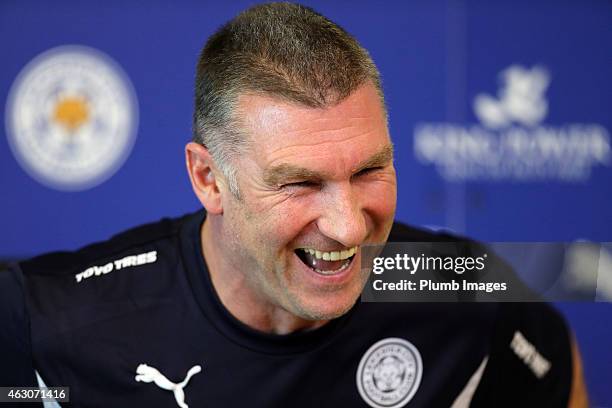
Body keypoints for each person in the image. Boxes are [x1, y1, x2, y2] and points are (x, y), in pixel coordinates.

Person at [0, 3, 588, 407]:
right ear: (208, 179)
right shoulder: (50, 324)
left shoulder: (461, 288)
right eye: (299, 184)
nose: (347, 224)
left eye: (369, 170)